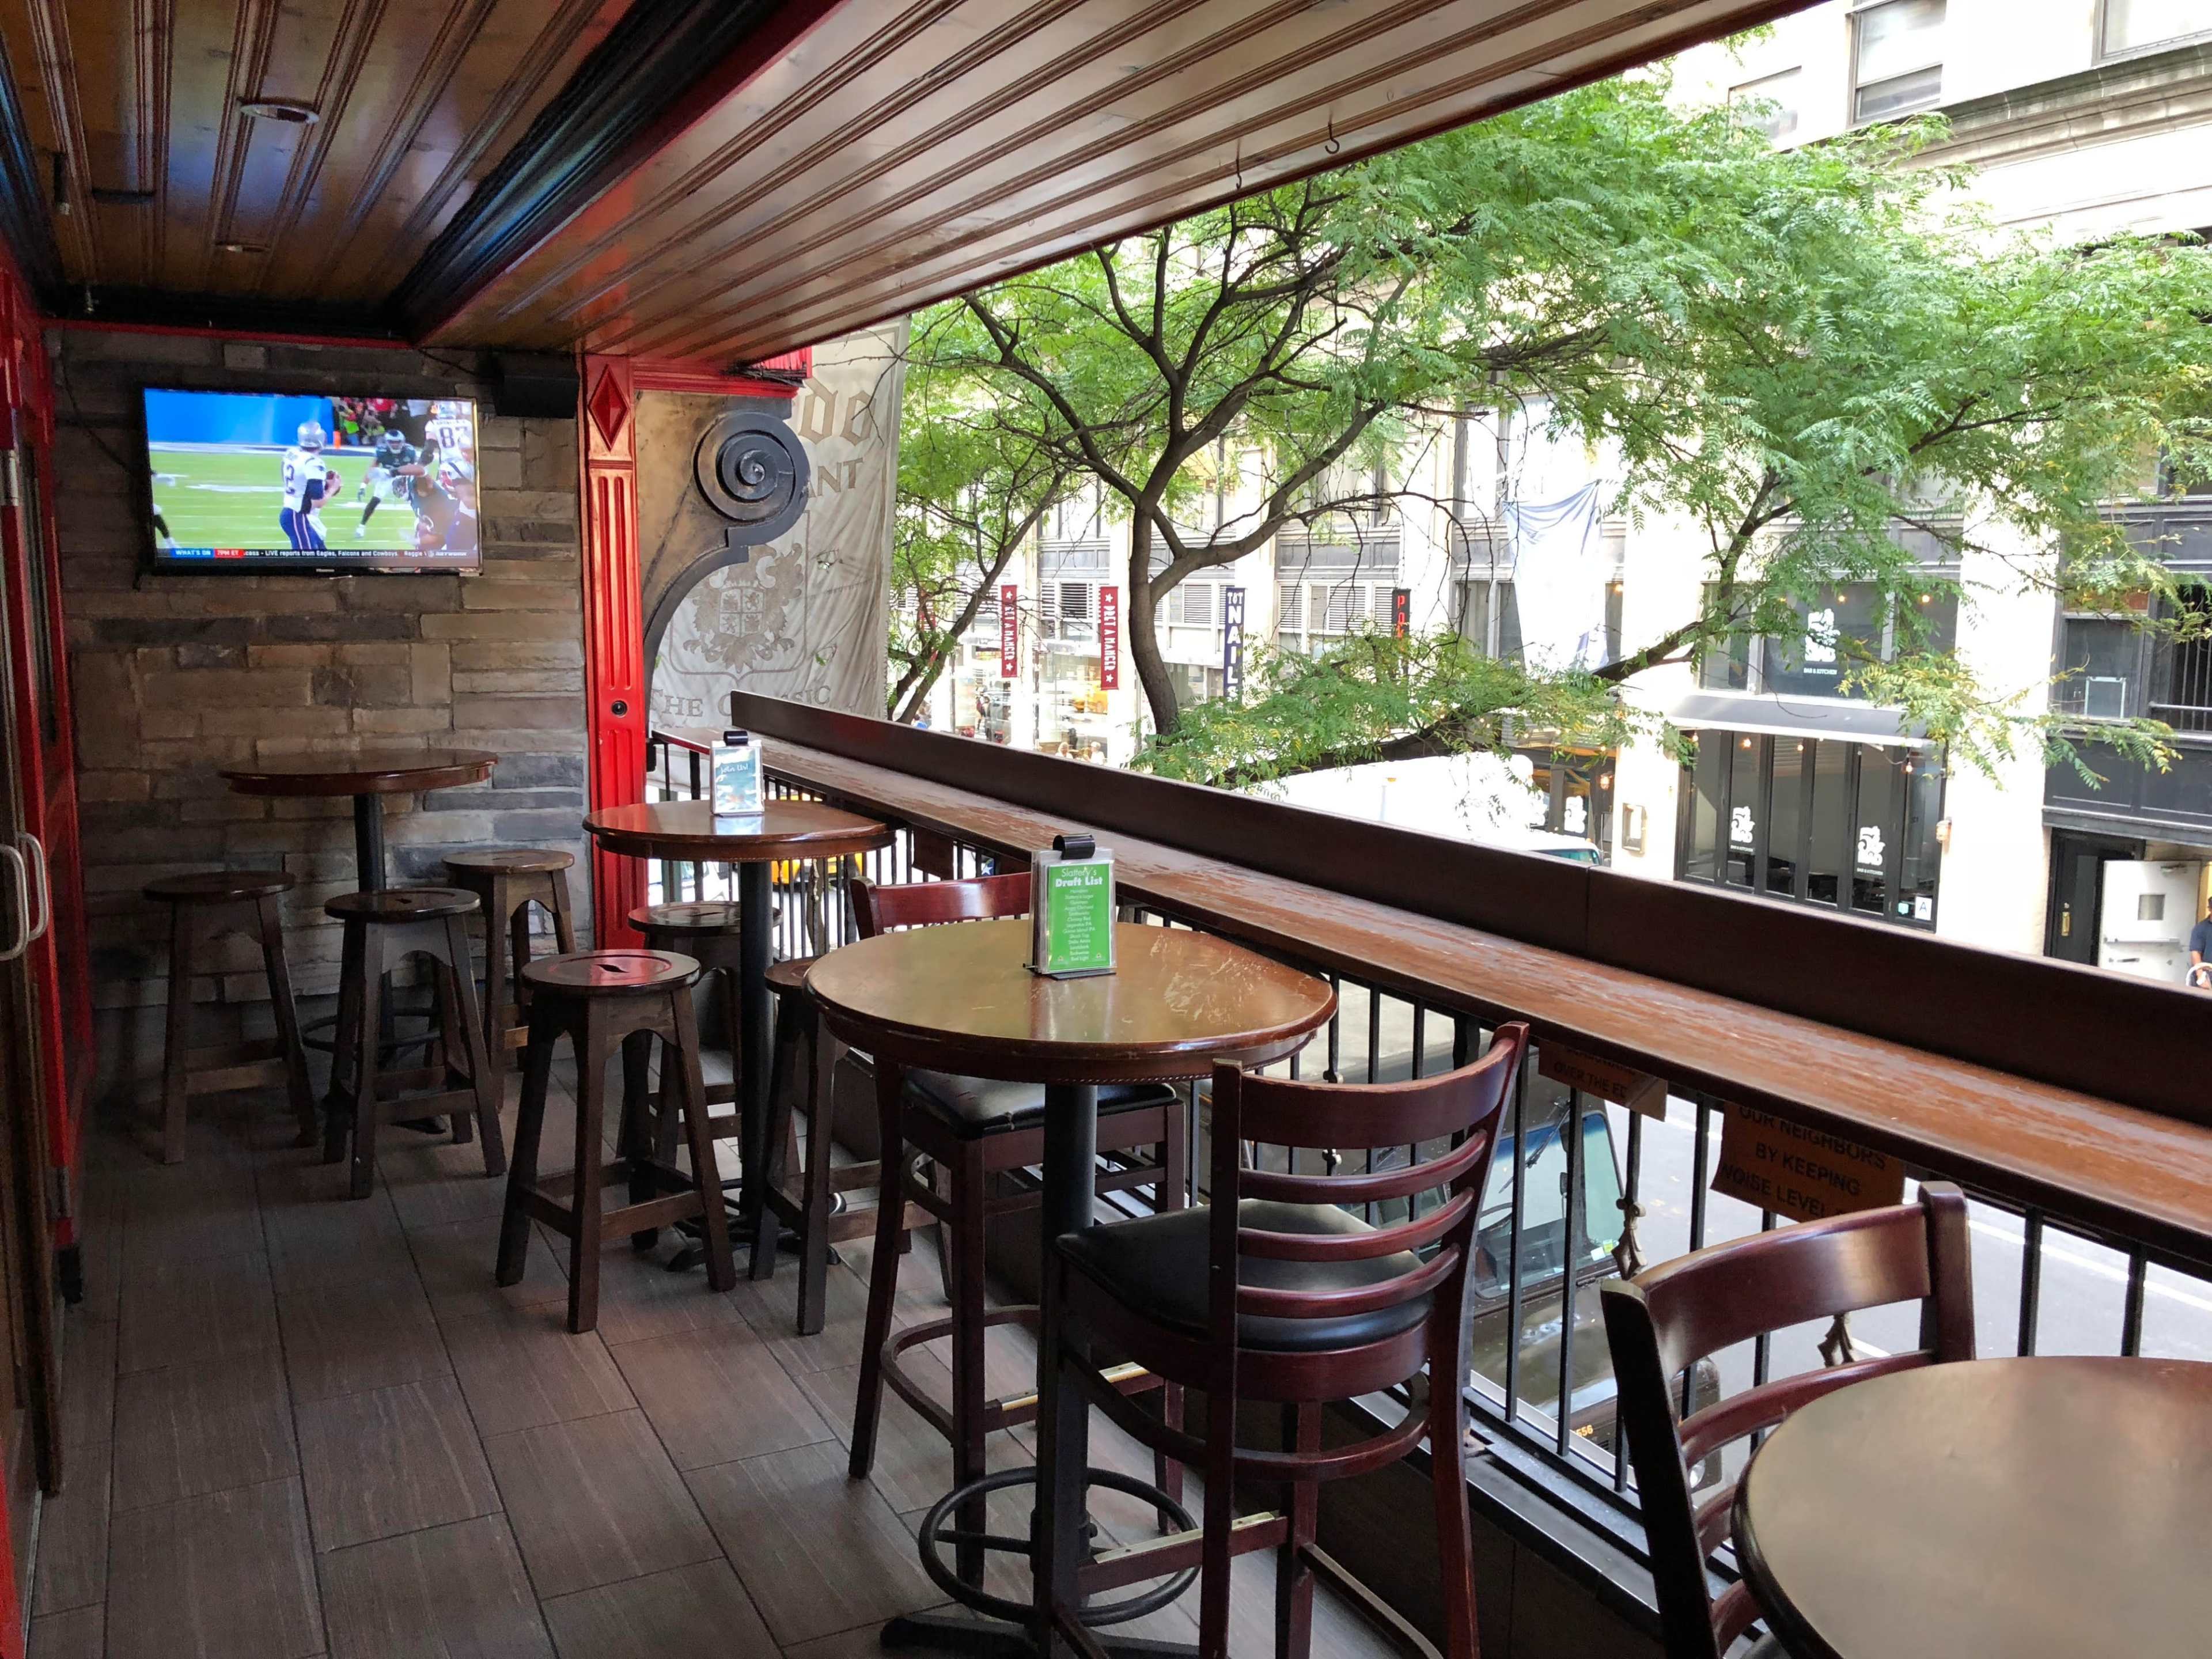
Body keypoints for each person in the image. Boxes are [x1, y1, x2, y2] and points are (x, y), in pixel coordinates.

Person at [279, 421, 333, 552]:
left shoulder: (291, 453)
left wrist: (322, 484)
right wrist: (332, 488)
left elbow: (295, 480)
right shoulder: (314, 462)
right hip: (298, 515)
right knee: (307, 558)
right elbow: (318, 501)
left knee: (322, 552)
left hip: (293, 512)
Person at [2190, 900, 2212, 989]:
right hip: (2208, 974)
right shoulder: (2201, 928)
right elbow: (2196, 953)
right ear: (2210, 909)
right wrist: (2200, 976)